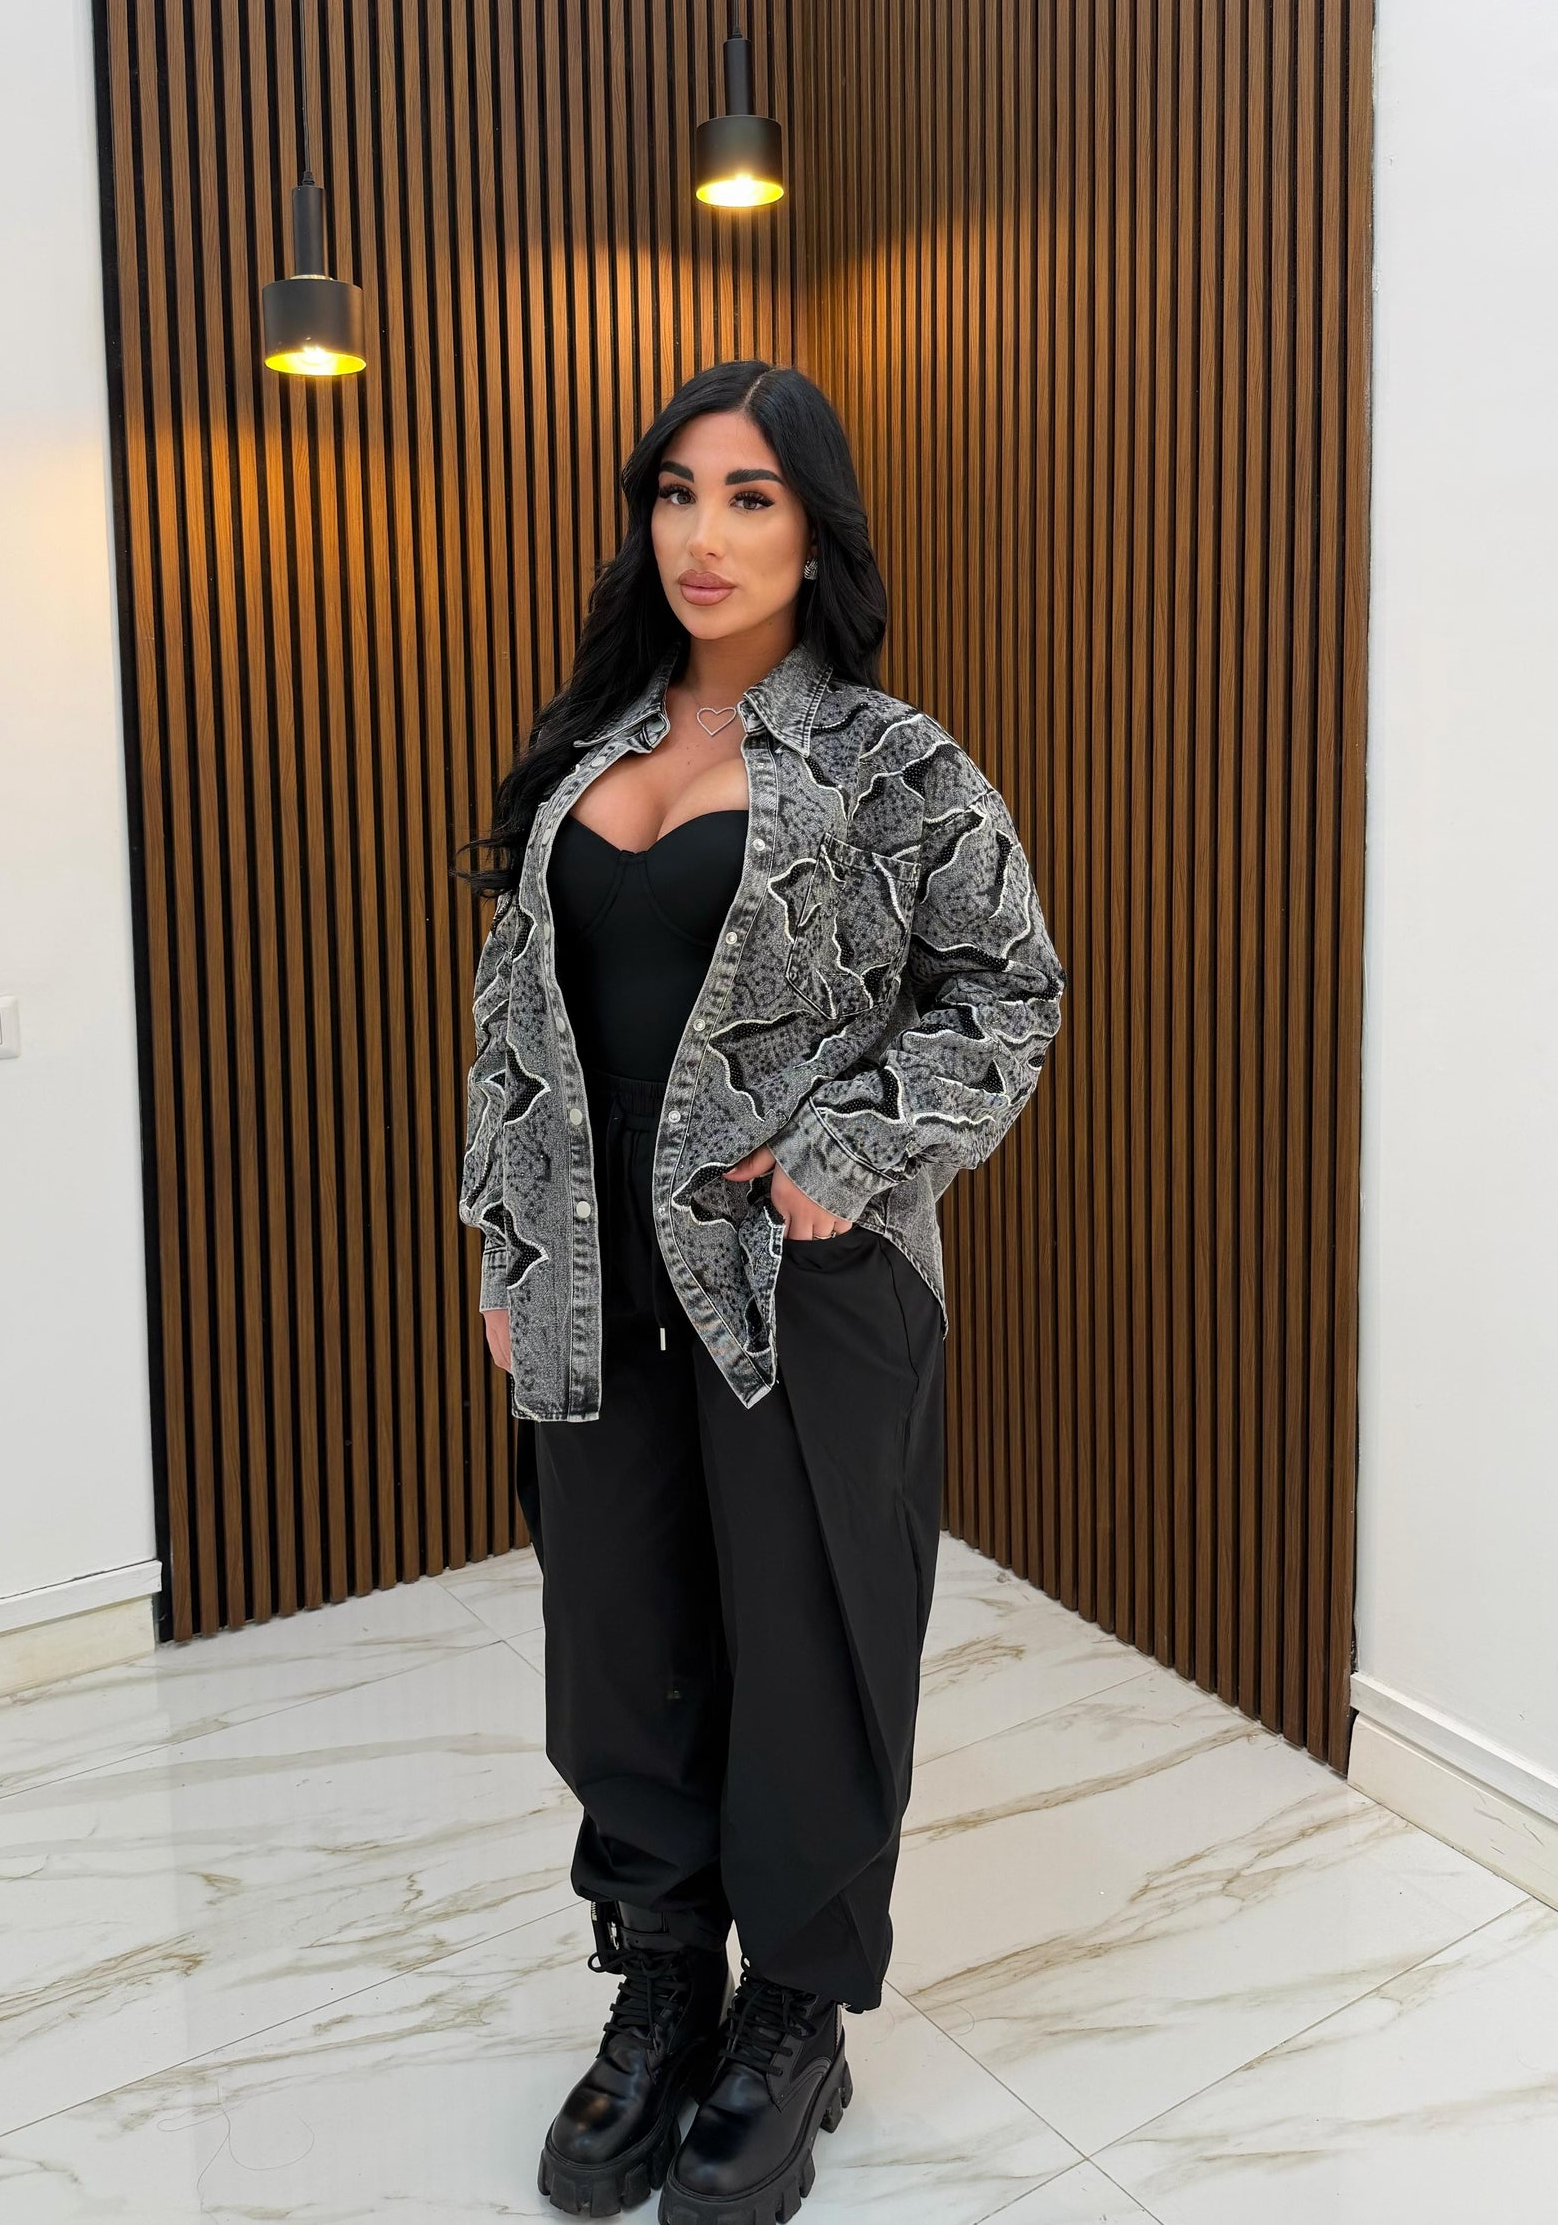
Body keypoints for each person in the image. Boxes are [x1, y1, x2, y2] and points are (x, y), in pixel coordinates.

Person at [453, 359, 1065, 2225]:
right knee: (617, 1636)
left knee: (809, 1648)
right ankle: (659, 1979)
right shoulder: (585, 748)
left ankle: (791, 2013)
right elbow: (512, 1028)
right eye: (675, 493)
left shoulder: (892, 761)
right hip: (592, 1289)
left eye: (749, 497)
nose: (702, 536)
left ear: (817, 528)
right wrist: (506, 1244)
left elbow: (1009, 993)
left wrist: (845, 1155)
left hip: (803, 1287)